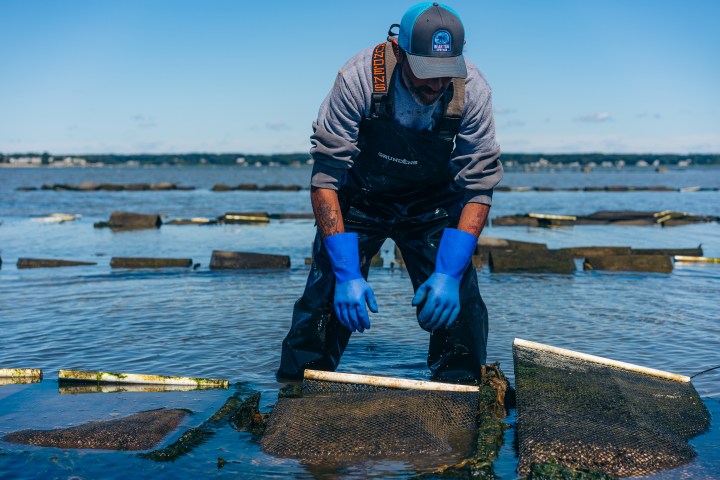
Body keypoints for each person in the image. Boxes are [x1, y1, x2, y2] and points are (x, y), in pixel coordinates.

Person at [277, 2, 503, 383]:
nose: (436, 85)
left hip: (432, 202)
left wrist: (448, 272)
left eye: (446, 74)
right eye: (427, 72)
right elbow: (325, 180)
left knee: (460, 305)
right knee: (325, 298)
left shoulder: (473, 90)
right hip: (360, 198)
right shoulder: (358, 78)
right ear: (400, 51)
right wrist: (348, 273)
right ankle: (296, 393)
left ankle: (459, 393)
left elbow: (478, 187)